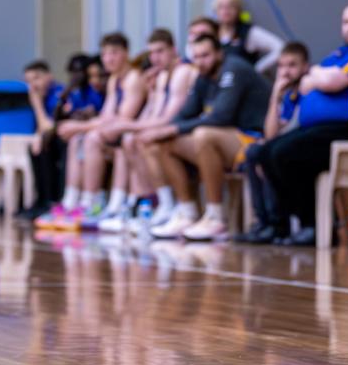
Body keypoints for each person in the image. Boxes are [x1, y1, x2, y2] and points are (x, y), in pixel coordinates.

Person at [257, 4, 348, 247]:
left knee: (286, 153)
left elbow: (332, 81)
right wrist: (316, 77)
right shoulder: (339, 54)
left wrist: (314, 76)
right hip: (331, 131)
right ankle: (297, 225)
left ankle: (312, 226)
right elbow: (315, 81)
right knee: (266, 152)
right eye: (346, 22)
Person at [138, 33, 271, 241]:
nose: (200, 61)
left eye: (206, 55)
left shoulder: (233, 68)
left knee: (203, 135)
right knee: (161, 143)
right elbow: (185, 114)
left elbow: (220, 116)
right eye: (196, 56)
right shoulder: (203, 75)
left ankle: (216, 217)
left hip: (254, 140)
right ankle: (186, 212)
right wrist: (165, 130)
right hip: (227, 139)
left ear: (219, 53)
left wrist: (173, 129)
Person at [98, 28, 197, 233]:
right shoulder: (161, 78)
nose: (155, 58)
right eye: (151, 52)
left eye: (160, 51)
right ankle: (151, 202)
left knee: (143, 140)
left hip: (188, 130)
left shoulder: (183, 72)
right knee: (131, 140)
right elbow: (153, 115)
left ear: (173, 50)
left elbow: (169, 118)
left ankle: (168, 205)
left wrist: (127, 125)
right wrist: (151, 94)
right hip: (172, 128)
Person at [46, 33, 147, 228]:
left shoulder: (133, 79)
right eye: (105, 54)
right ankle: (72, 199)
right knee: (77, 139)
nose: (108, 59)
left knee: (91, 138)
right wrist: (79, 129)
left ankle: (93, 202)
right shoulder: (114, 80)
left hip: (130, 137)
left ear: (126, 53)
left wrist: (80, 126)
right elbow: (107, 117)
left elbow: (122, 120)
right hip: (116, 137)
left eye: (114, 53)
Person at [235, 41, 310, 244]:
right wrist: (275, 96)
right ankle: (264, 223)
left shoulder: (308, 91)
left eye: (292, 65)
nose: (285, 72)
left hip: (302, 150)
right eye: (281, 66)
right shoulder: (286, 94)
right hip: (283, 147)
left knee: (263, 153)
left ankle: (278, 225)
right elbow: (270, 134)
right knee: (253, 152)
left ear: (305, 67)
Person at [18, 61, 66, 220]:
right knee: (35, 147)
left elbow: (49, 125)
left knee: (45, 146)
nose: (33, 85)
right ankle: (40, 199)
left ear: (49, 76)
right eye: (28, 82)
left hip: (65, 141)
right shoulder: (40, 95)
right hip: (50, 139)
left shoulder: (58, 94)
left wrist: (37, 104)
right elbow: (41, 128)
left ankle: (50, 201)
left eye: (36, 78)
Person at [213, 0, 284, 75]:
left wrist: (257, 69)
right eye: (221, 7)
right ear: (215, 10)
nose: (226, 11)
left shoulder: (249, 32)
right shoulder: (212, 32)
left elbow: (280, 47)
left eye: (231, 6)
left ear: (238, 10)